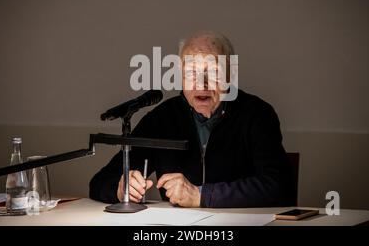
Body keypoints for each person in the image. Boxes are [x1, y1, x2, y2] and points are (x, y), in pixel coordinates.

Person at [89, 31, 292, 208]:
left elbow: (278, 186)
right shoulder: (162, 119)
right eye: (191, 72)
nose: (201, 84)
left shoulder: (257, 114)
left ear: (231, 74)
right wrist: (120, 189)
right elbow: (99, 181)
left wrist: (201, 196)